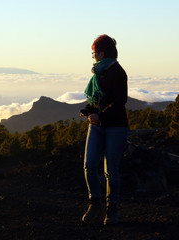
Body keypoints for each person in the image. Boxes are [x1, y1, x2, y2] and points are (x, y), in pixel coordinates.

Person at [80, 34, 129, 225]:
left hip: (115, 127)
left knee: (111, 171)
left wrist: (100, 116)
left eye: (93, 53)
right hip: (97, 126)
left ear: (102, 53)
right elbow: (97, 99)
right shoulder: (99, 73)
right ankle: (94, 203)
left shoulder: (118, 72)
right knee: (89, 165)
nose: (93, 57)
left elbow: (119, 102)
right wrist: (89, 110)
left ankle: (112, 209)